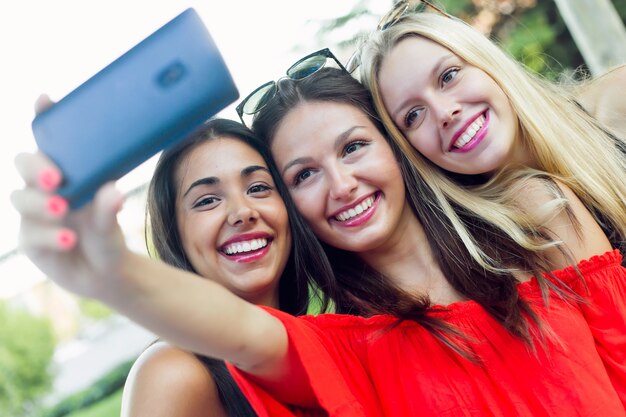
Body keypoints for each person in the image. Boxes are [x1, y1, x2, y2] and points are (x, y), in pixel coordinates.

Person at [13, 74, 626, 415]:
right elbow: (244, 335)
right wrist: (107, 270)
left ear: (396, 146)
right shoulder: (348, 348)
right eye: (303, 174)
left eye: (354, 146)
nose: (341, 184)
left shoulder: (534, 228)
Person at [354, 10, 626, 262]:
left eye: (448, 76)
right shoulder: (487, 255)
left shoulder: (616, 102)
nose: (444, 113)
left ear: (485, 62)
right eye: (413, 115)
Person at [119, 118, 337, 417]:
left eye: (258, 188)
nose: (242, 212)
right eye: (208, 200)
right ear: (175, 235)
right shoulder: (172, 374)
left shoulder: (328, 339)